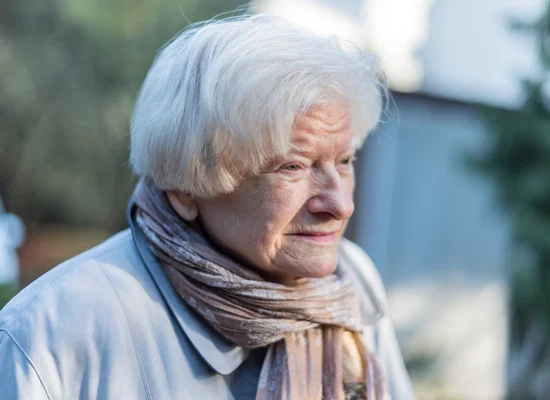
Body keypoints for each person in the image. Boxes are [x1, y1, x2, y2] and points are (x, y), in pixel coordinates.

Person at [0, 14, 414, 400]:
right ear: (185, 189)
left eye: (344, 161)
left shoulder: (349, 280)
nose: (340, 204)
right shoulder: (54, 328)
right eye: (293, 166)